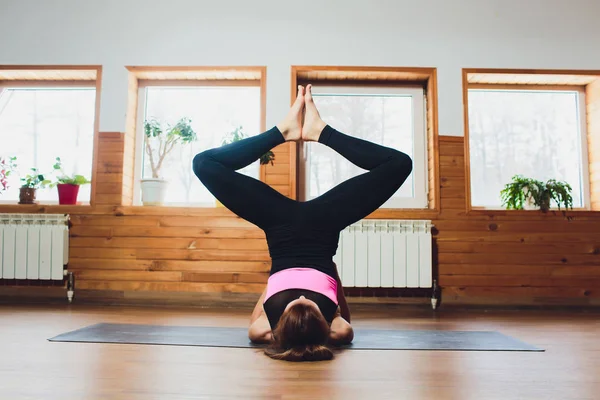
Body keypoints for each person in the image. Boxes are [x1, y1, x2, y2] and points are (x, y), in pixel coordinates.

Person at [193, 85, 413, 361]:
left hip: (279, 226)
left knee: (204, 164)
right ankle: (321, 132)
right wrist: (334, 275)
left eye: (293, 305)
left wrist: (275, 281)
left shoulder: (265, 329)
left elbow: (261, 308)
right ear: (321, 323)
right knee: (399, 164)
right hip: (323, 226)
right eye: (308, 304)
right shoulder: (337, 332)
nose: (300, 297)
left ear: (282, 326)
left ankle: (282, 133)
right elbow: (344, 314)